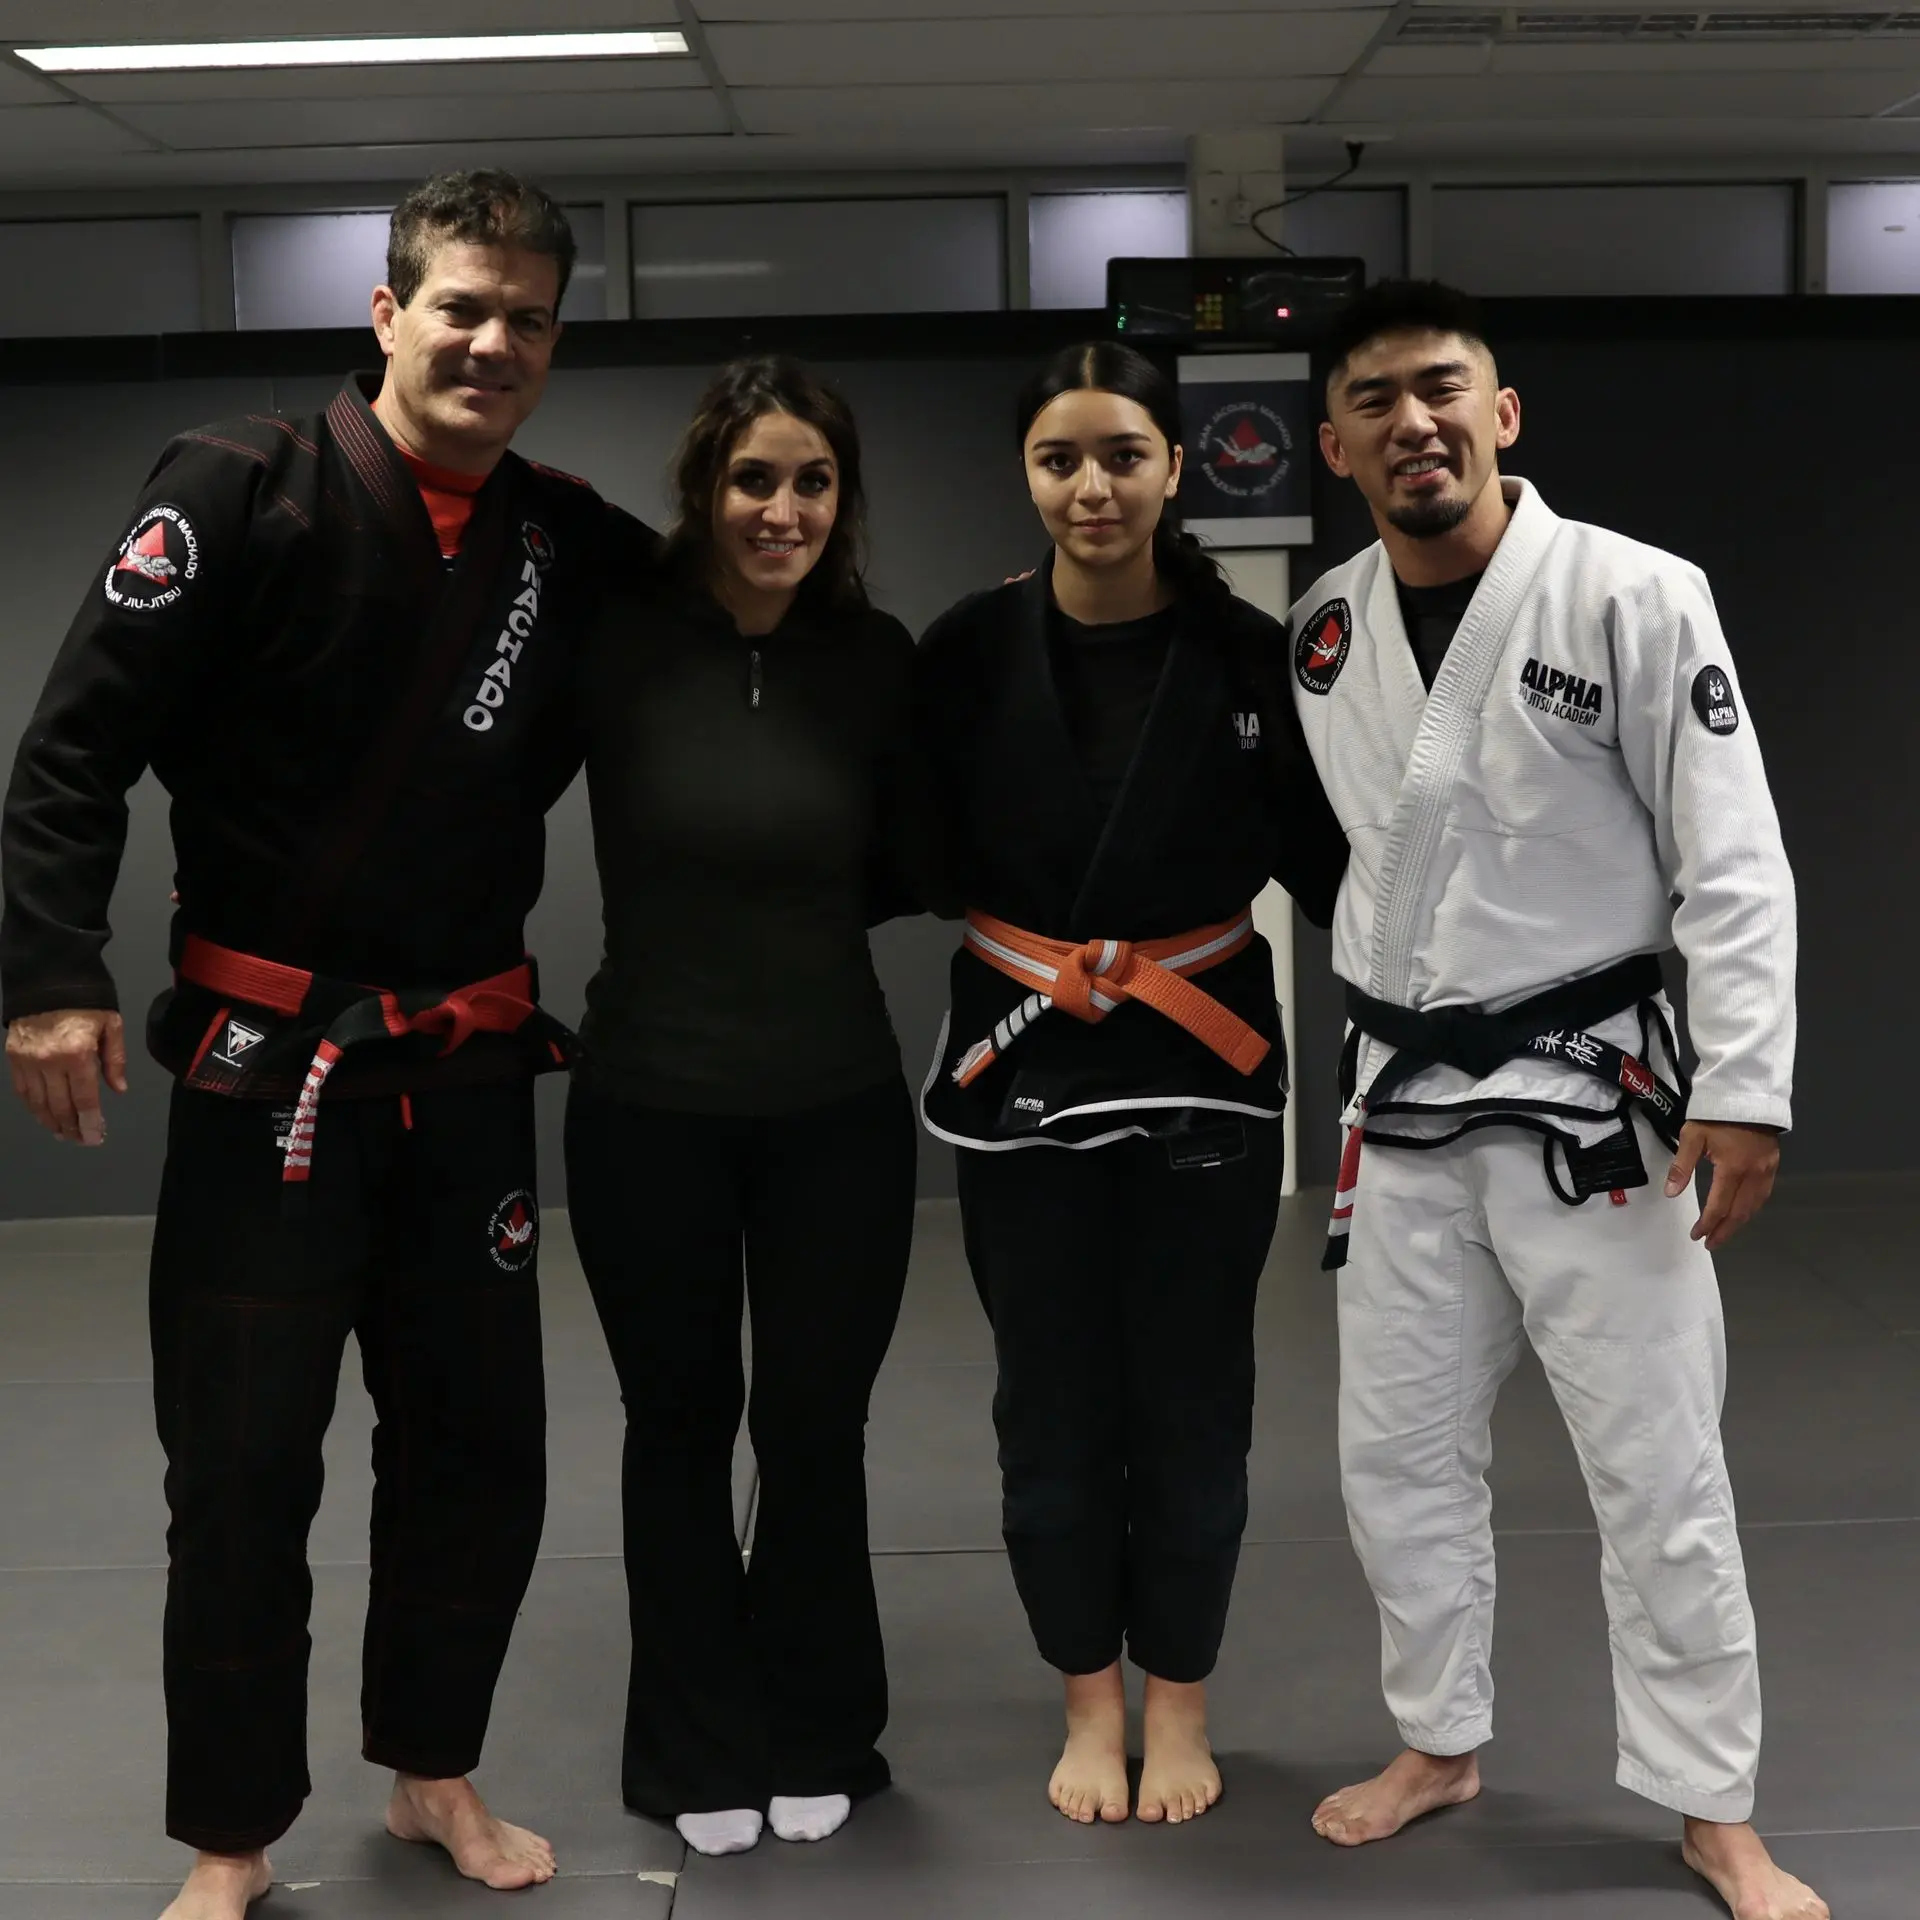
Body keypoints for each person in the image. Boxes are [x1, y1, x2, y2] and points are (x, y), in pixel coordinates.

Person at [1, 171, 624, 1920]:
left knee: (474, 1453)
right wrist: (48, 978)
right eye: (463, 308)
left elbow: (751, 617)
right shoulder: (238, 488)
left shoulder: (567, 544)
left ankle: (435, 1775)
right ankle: (232, 1836)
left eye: (528, 320)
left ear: (555, 344)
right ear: (387, 312)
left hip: (471, 1080)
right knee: (244, 1464)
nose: (494, 342)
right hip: (264, 1076)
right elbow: (69, 757)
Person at [1291, 280, 1825, 1920]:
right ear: (1334, 445)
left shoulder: (1638, 596)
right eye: (1374, 401)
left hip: (1598, 1112)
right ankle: (1438, 1739)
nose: (1413, 423)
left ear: (1502, 412)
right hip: (1401, 1101)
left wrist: (1743, 1087)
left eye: (1441, 388)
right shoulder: (1325, 626)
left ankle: (1709, 1800)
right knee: (1395, 1457)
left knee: (1655, 1467)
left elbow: (1732, 862)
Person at [916, 341, 1347, 1828]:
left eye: (1121, 454)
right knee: (1048, 1399)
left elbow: (1343, 863)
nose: (1091, 486)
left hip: (1201, 1062)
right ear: (1025, 475)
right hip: (1023, 1054)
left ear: (1176, 466)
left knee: (1191, 1396)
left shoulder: (1251, 656)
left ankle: (1180, 1701)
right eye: (1058, 459)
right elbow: (896, 847)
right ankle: (1085, 1701)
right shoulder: (966, 651)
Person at [564, 355, 933, 1860]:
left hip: (835, 1108)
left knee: (815, 1426)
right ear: (704, 491)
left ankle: (821, 1725)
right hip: (649, 1101)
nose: (781, 509)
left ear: (842, 500)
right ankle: (693, 1743)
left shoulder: (880, 655)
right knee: (678, 1424)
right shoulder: (617, 640)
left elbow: (928, 850)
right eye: (753, 480)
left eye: (812, 482)